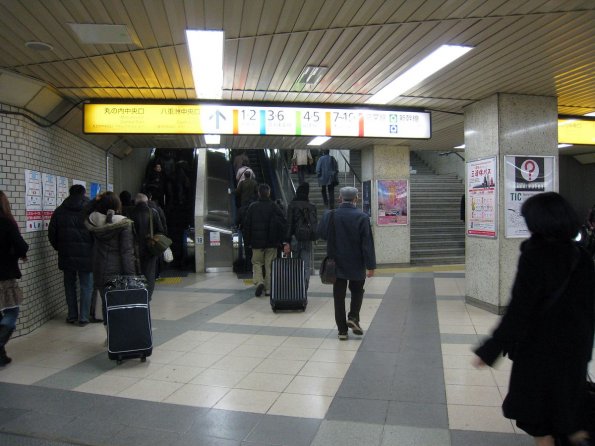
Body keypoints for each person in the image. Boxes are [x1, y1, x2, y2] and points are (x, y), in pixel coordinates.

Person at [473, 192, 595, 446]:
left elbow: (521, 308)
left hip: (540, 350)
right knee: (566, 411)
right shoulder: (582, 256)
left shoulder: (535, 255)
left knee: (539, 420)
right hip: (575, 349)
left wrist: (491, 348)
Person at [317, 186, 376, 340]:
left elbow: (321, 234)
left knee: (339, 296)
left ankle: (342, 331)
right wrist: (371, 266)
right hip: (357, 263)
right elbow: (367, 244)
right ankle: (353, 317)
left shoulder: (330, 215)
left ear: (339, 198)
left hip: (336, 263)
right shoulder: (362, 217)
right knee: (357, 291)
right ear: (356, 199)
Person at [85, 192, 136, 326]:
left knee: (105, 303)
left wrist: (94, 201)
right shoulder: (123, 223)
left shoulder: (92, 221)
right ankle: (117, 338)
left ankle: (110, 337)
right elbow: (126, 252)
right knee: (118, 305)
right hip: (117, 271)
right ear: (117, 205)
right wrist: (131, 276)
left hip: (99, 269)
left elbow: (83, 213)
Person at [48, 184, 95, 326]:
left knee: (69, 285)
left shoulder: (59, 211)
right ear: (84, 193)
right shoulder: (90, 211)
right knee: (86, 286)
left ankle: (72, 315)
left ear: (69, 193)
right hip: (87, 255)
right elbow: (96, 232)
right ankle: (84, 317)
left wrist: (60, 248)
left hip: (66, 254)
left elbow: (52, 234)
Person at [0, 191, 29, 366]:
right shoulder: (6, 223)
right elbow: (21, 246)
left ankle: (1, 356)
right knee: (12, 312)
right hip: (5, 275)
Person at [243, 184, 287, 297]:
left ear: (258, 193)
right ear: (269, 193)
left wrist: (247, 242)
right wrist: (281, 240)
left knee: (257, 263)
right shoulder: (274, 206)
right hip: (271, 243)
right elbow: (282, 223)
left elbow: (247, 226)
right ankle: (268, 289)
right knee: (270, 265)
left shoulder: (253, 207)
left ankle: (259, 282)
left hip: (256, 243)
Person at [128, 193, 165, 300]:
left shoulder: (129, 213)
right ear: (146, 201)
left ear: (135, 202)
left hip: (133, 248)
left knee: (135, 273)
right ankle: (147, 296)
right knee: (149, 273)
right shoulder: (153, 212)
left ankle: (137, 295)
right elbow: (161, 230)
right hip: (150, 248)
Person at [283, 182, 317, 290]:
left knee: (295, 264)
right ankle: (304, 288)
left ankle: (296, 289)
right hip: (307, 239)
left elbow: (289, 225)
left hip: (294, 239)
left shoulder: (292, 205)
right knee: (306, 266)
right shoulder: (312, 206)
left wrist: (286, 242)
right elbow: (314, 224)